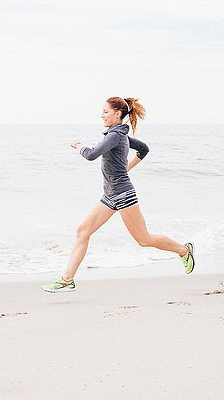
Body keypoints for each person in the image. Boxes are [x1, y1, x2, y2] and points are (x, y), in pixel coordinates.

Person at [41, 97, 194, 293]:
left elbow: (91, 155)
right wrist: (126, 168)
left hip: (123, 194)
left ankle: (184, 250)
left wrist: (78, 145)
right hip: (110, 195)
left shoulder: (116, 136)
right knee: (82, 231)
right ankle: (67, 279)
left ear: (117, 113)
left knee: (144, 239)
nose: (101, 115)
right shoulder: (119, 135)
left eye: (105, 111)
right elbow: (143, 149)